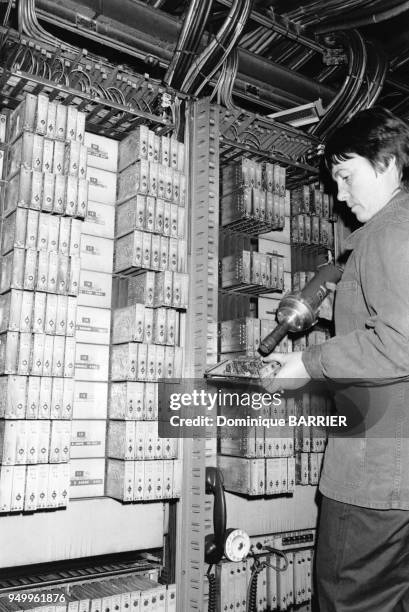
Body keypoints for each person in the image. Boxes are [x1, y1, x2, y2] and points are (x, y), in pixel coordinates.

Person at [262, 107, 409, 612]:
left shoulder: (392, 231)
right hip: (395, 475)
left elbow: (400, 341)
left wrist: (308, 363)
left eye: (346, 176)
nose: (339, 195)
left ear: (387, 163)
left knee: (351, 602)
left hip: (374, 478)